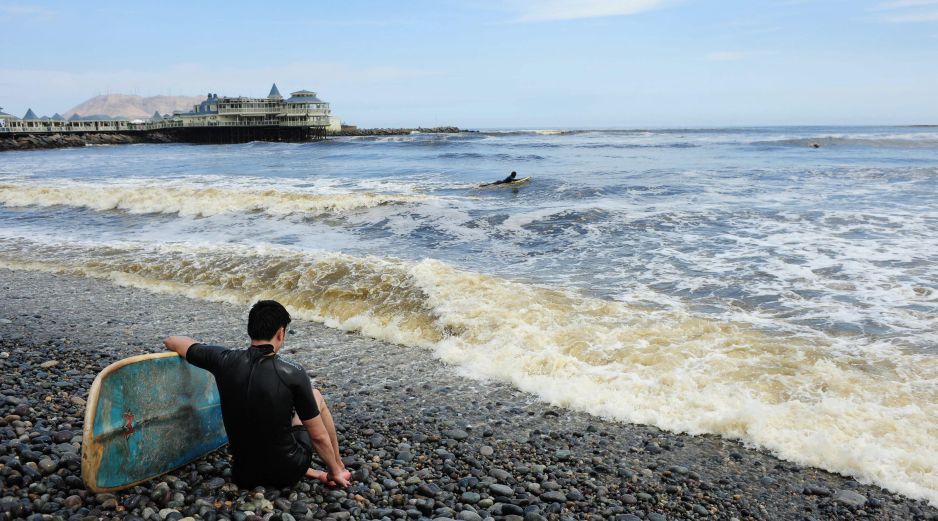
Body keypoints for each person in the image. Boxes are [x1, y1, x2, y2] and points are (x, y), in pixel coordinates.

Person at [163, 300, 351, 489]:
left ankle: (313, 470)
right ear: (281, 333)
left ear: (250, 330)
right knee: (315, 395)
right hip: (288, 473)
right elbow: (318, 436)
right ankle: (339, 468)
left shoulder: (222, 359)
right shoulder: (293, 373)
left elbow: (173, 341)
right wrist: (333, 471)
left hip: (244, 475)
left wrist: (189, 345)